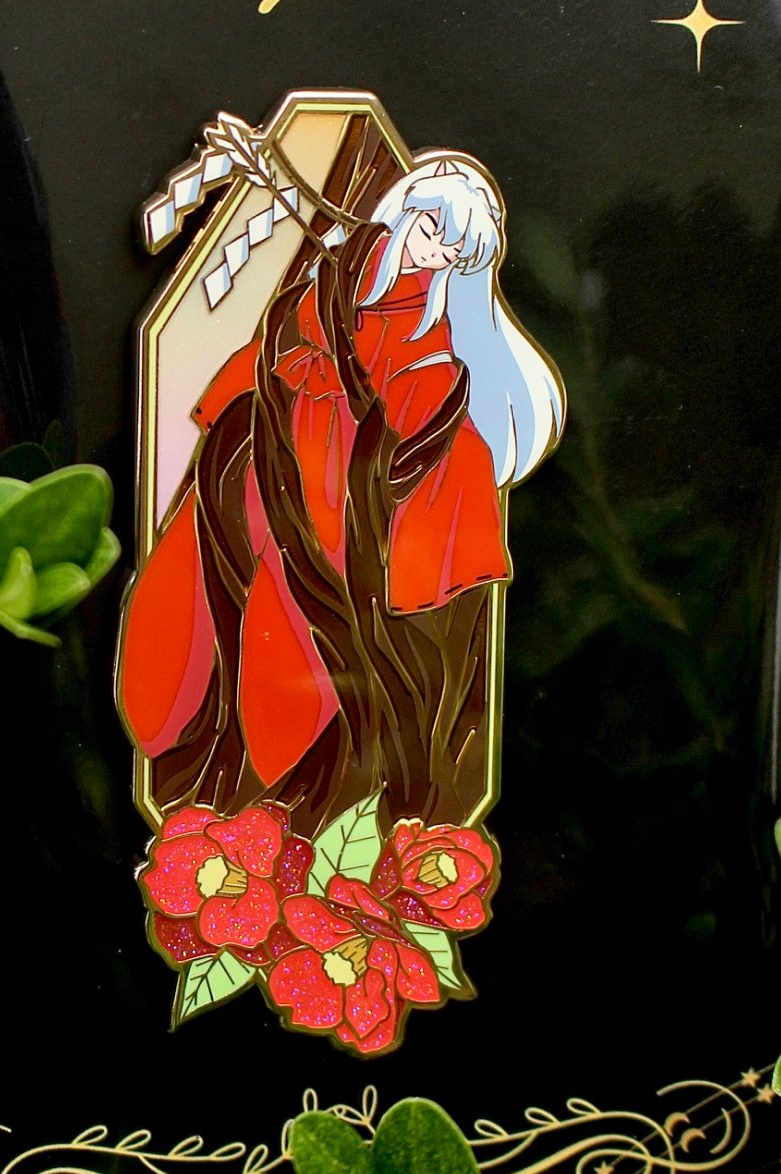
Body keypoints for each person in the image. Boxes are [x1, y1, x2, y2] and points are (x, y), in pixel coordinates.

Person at [119, 156, 564, 796]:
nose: (434, 252)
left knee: (305, 588)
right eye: (432, 229)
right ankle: (177, 706)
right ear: (407, 213)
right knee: (202, 548)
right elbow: (286, 333)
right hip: (281, 428)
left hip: (345, 470)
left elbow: (424, 400)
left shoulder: (432, 333)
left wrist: (368, 404)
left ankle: (285, 755)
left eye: (453, 250)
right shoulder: (340, 270)